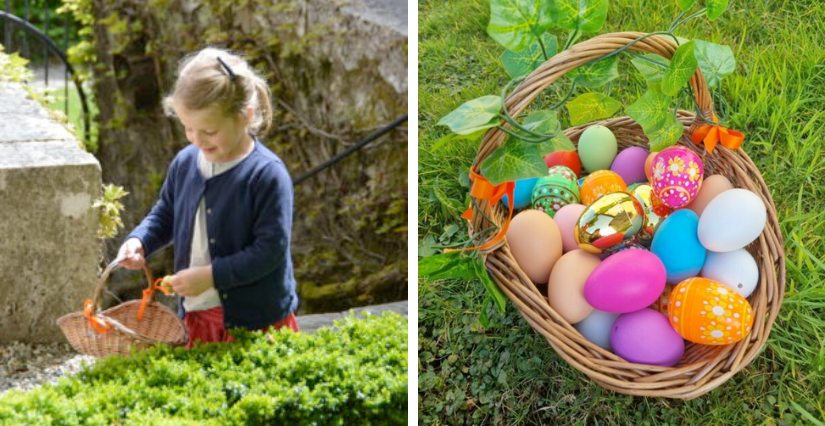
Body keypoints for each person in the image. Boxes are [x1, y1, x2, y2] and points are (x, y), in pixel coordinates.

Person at [117, 47, 299, 348]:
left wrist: (212, 276)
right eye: (188, 128)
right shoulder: (187, 161)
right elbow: (166, 214)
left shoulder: (267, 175)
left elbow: (270, 250)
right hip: (197, 314)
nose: (197, 140)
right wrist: (140, 241)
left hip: (257, 319)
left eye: (210, 131)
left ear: (245, 117)